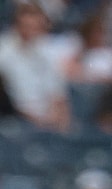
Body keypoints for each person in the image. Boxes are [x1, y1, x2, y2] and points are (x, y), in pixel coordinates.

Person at [0, 3, 71, 132]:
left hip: (48, 120)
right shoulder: (3, 51)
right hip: (16, 120)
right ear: (16, 25)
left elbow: (58, 95)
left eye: (36, 27)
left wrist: (60, 121)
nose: (31, 32)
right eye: (27, 27)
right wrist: (37, 120)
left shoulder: (47, 50)